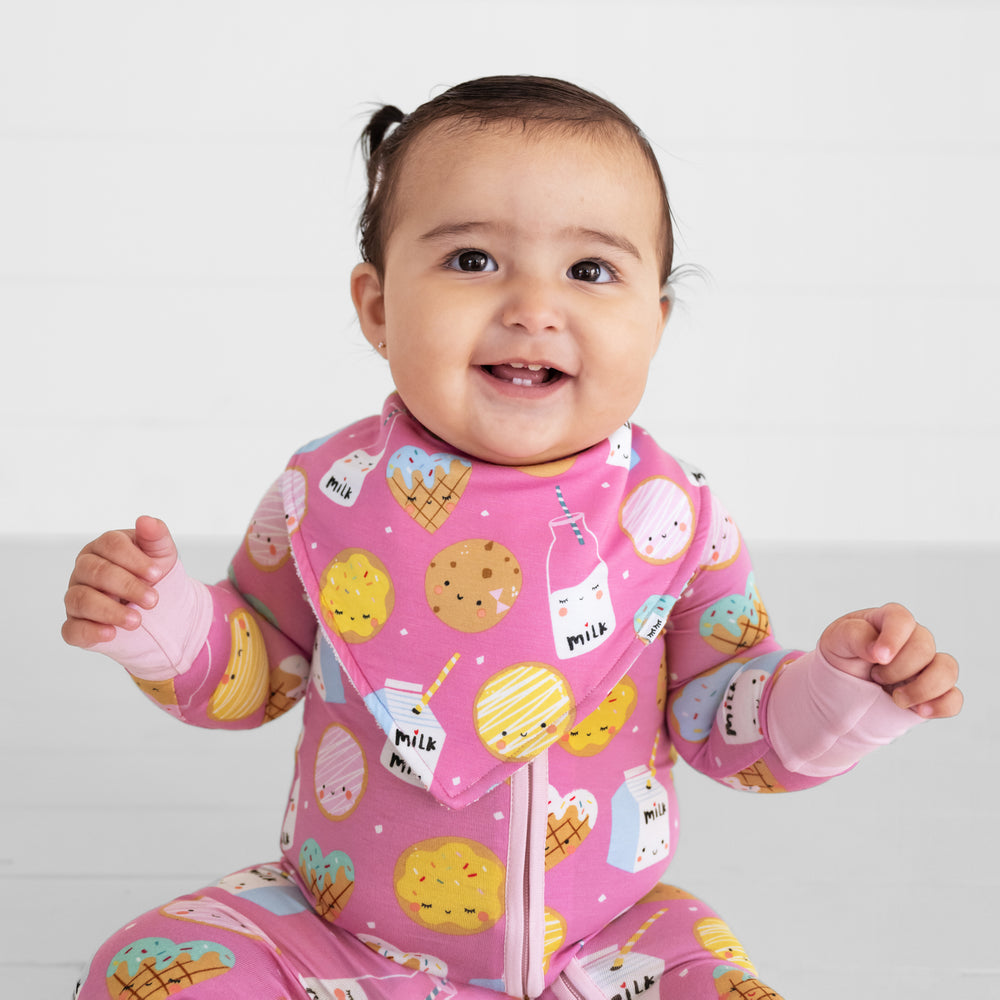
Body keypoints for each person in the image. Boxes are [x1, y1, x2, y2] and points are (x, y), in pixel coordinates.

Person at [62, 76, 961, 1000]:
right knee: (146, 973)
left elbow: (722, 716)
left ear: (653, 323)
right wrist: (160, 617)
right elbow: (259, 667)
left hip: (611, 944)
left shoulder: (673, 516)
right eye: (472, 260)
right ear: (376, 307)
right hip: (342, 941)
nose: (534, 305)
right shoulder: (324, 493)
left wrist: (840, 693)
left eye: (589, 271)